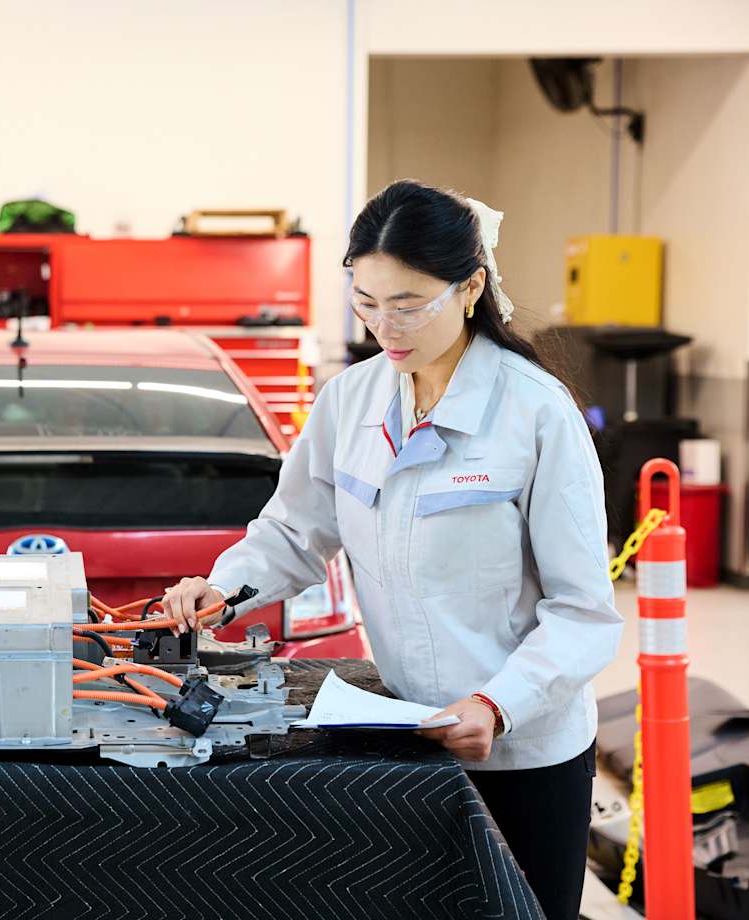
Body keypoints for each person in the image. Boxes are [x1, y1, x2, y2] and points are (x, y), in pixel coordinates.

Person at [164, 179, 621, 920]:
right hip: (407, 741)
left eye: (408, 304)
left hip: (521, 751)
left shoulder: (536, 413)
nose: (385, 326)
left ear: (470, 288)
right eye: (366, 302)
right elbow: (295, 530)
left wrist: (497, 705)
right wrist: (225, 589)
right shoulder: (350, 401)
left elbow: (583, 613)